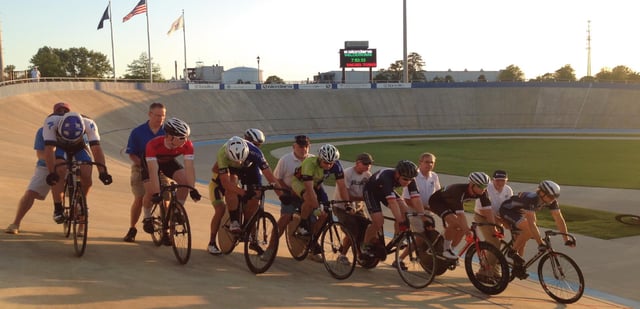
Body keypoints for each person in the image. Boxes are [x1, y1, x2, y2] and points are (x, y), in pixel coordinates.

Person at [207, 136, 280, 255]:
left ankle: (249, 232)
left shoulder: (254, 152)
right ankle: (212, 242)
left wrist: (281, 195)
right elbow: (226, 183)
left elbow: (269, 176)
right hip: (219, 182)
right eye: (235, 160)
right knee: (220, 209)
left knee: (255, 197)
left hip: (236, 175)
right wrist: (243, 192)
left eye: (240, 160)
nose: (238, 163)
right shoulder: (223, 153)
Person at [5, 103, 71, 234]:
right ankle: (15, 223)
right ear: (54, 113)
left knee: (81, 192)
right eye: (59, 110)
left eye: (65, 110)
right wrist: (52, 163)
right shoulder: (43, 130)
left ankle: (81, 227)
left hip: (68, 165)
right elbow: (40, 153)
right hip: (46, 166)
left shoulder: (76, 128)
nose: (62, 112)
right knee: (31, 193)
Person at [42, 108, 112, 223]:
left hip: (79, 146)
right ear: (59, 127)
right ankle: (58, 208)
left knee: (86, 171)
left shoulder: (89, 124)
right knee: (59, 169)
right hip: (59, 145)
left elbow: (96, 149)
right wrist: (51, 173)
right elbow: (49, 149)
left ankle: (80, 202)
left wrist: (103, 172)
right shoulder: (51, 122)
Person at [141, 117, 201, 245]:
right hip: (151, 163)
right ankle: (146, 217)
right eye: (180, 138)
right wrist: (157, 193)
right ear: (168, 136)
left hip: (168, 162)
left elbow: (189, 168)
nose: (184, 141)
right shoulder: (153, 145)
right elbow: (153, 170)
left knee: (184, 183)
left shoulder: (188, 145)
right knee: (151, 190)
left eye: (185, 138)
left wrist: (192, 188)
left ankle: (175, 212)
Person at [499, 180, 575, 278]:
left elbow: (559, 219)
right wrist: (540, 243)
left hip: (521, 211)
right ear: (542, 193)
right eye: (551, 197)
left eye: (555, 197)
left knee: (523, 241)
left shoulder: (550, 201)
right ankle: (511, 252)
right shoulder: (531, 199)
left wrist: (566, 239)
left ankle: (517, 268)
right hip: (507, 210)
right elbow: (531, 224)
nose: (553, 200)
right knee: (529, 230)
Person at [290, 144, 350, 262]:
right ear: (319, 159)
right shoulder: (309, 163)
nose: (328, 166)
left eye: (331, 163)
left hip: (316, 184)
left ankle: (313, 239)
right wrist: (316, 206)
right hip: (300, 183)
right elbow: (309, 188)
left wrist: (347, 204)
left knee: (325, 214)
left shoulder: (336, 165)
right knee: (309, 199)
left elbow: (342, 186)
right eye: (326, 163)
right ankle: (302, 225)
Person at [360, 160, 425, 260]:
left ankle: (396, 237)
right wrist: (400, 222)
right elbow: (393, 203)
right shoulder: (386, 177)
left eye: (410, 180)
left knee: (405, 210)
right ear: (397, 174)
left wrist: (423, 216)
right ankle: (365, 245)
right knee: (379, 221)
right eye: (404, 179)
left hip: (386, 190)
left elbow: (416, 199)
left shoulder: (410, 179)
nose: (407, 182)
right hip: (371, 192)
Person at [122, 102, 166, 242]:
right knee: (139, 197)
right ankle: (132, 228)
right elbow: (131, 154)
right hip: (141, 166)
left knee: (166, 197)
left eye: (163, 116)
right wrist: (143, 165)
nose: (160, 119)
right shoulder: (138, 132)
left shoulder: (167, 131)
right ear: (150, 114)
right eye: (157, 115)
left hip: (161, 167)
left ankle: (166, 229)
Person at [428, 172, 491, 260]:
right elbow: (461, 215)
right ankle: (446, 249)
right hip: (437, 202)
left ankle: (451, 249)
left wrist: (494, 227)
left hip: (451, 203)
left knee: (462, 228)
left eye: (485, 186)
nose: (483, 189)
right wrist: (467, 232)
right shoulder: (458, 191)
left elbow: (488, 211)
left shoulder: (483, 192)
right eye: (480, 186)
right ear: (472, 184)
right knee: (455, 224)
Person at [269, 135, 312, 254]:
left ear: (309, 147)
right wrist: (287, 191)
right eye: (300, 146)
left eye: (306, 146)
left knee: (314, 220)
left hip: (305, 196)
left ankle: (311, 249)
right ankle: (271, 248)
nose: (303, 149)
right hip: (290, 194)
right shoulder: (285, 160)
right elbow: (277, 178)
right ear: (294, 147)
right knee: (285, 217)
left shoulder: (312, 160)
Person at [332, 152, 373, 264]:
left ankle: (360, 254)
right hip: (342, 206)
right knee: (352, 230)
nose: (367, 166)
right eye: (365, 164)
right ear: (357, 163)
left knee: (367, 228)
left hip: (358, 208)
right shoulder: (347, 174)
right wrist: (359, 199)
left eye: (369, 164)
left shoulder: (367, 175)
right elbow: (344, 193)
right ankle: (342, 255)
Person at [472, 170, 513, 281]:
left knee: (499, 244)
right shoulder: (486, 188)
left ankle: (495, 271)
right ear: (492, 180)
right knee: (494, 243)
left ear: (506, 180)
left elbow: (509, 208)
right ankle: (483, 272)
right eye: (497, 180)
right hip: (483, 217)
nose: (500, 183)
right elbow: (483, 211)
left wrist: (508, 221)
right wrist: (499, 222)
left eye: (503, 180)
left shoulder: (508, 190)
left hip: (498, 218)